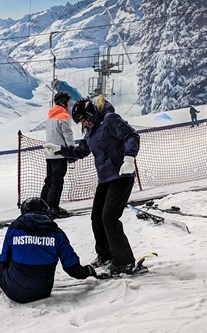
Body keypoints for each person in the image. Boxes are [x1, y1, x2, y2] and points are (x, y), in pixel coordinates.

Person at [43, 96, 142, 276]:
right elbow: (81, 151)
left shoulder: (109, 119)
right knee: (96, 217)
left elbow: (131, 136)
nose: (84, 123)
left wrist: (129, 158)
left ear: (91, 113)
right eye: (81, 121)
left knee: (109, 217)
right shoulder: (91, 131)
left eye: (84, 119)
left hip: (121, 175)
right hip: (105, 179)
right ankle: (106, 255)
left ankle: (125, 262)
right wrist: (59, 150)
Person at [0, 197, 96, 304]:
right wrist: (87, 271)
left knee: (0, 266)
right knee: (8, 266)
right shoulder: (56, 233)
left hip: (15, 292)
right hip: (43, 291)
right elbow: (72, 268)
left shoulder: (15, 228)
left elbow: (5, 260)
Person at [40, 92, 75, 217]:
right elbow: (68, 135)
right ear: (63, 102)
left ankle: (42, 206)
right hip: (60, 153)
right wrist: (72, 152)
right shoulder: (63, 116)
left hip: (49, 154)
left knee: (49, 181)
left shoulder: (50, 116)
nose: (69, 104)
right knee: (57, 182)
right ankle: (53, 208)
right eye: (68, 101)